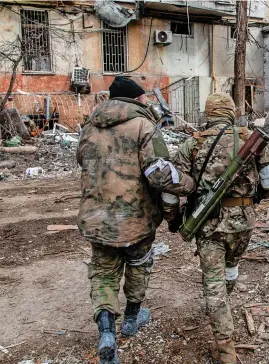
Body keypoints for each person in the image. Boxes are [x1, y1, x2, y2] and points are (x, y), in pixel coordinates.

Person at [76, 76, 195, 364]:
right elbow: (159, 174)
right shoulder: (143, 126)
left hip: (96, 219)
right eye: (145, 97)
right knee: (139, 265)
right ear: (138, 99)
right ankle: (131, 318)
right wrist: (190, 185)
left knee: (103, 273)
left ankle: (107, 331)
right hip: (136, 221)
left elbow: (83, 161)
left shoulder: (88, 127)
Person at [170, 93, 269, 363]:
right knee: (231, 268)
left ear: (208, 113)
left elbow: (171, 188)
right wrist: (252, 199)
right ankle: (221, 304)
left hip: (207, 225)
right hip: (243, 223)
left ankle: (225, 350)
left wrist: (173, 218)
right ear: (232, 112)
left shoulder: (192, 145)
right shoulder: (251, 140)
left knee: (213, 284)